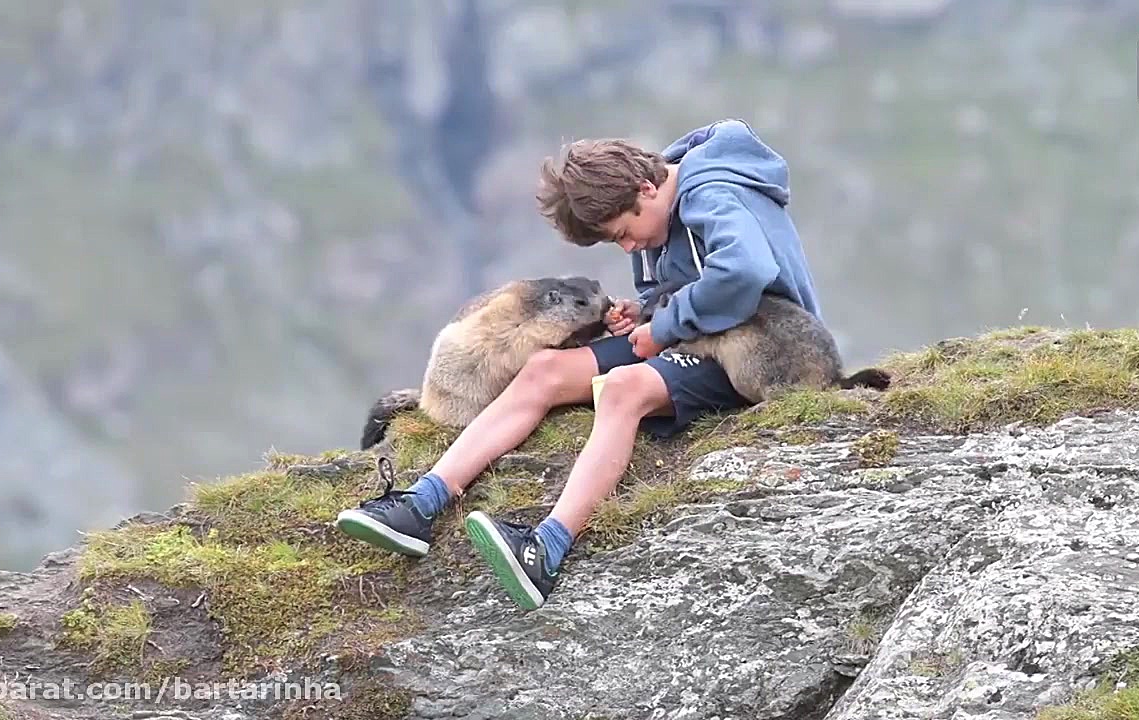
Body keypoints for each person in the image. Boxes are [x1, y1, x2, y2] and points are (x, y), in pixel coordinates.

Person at [334, 118, 822, 611]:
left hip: (754, 347)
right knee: (544, 370)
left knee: (622, 390)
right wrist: (646, 312)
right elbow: (677, 286)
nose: (629, 246)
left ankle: (545, 550)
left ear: (646, 187)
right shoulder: (656, 214)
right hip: (696, 336)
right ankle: (420, 503)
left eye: (625, 233)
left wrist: (669, 325)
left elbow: (747, 272)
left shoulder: (710, 194)